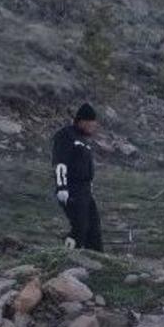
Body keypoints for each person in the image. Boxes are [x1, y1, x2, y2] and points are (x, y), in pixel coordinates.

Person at [51, 103, 103, 252]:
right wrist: (62, 187)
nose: (93, 127)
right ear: (83, 121)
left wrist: (90, 191)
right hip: (72, 188)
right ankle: (67, 255)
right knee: (80, 226)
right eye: (91, 124)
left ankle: (96, 258)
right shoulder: (66, 135)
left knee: (94, 227)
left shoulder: (84, 140)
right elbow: (60, 163)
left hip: (85, 190)